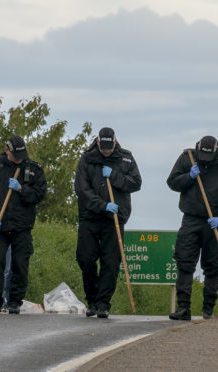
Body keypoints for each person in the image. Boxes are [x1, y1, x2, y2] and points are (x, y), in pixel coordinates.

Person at [166, 135, 218, 320]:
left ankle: (208, 309)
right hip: (191, 219)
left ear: (216, 152)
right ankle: (183, 309)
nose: (205, 160)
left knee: (213, 266)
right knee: (184, 262)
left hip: (214, 222)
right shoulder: (187, 158)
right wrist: (188, 177)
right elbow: (172, 182)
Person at [74, 127, 142, 318]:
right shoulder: (87, 159)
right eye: (103, 148)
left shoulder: (126, 158)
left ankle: (103, 303)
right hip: (90, 216)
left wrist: (114, 176)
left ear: (114, 142)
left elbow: (136, 183)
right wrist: (102, 205)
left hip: (115, 217)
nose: (106, 151)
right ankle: (92, 300)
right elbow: (81, 189)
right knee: (85, 259)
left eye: (109, 147)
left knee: (110, 262)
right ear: (97, 142)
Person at [0, 135, 46, 314]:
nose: (19, 158)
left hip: (22, 226)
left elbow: (39, 194)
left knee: (20, 263)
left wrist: (21, 189)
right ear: (7, 150)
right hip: (0, 225)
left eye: (22, 154)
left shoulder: (33, 169)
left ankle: (15, 301)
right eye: (16, 154)